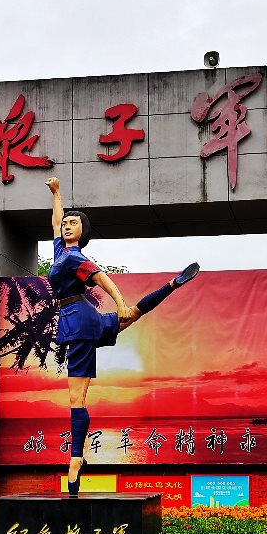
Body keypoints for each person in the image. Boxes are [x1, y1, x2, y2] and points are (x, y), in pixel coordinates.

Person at [46, 177, 199, 498]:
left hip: (79, 324)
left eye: (74, 223)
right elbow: (55, 220)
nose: (67, 225)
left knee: (77, 399)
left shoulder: (74, 258)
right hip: (83, 321)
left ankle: (75, 460)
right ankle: (171, 286)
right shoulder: (61, 251)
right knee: (134, 317)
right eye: (66, 223)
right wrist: (57, 193)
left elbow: (103, 279)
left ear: (83, 233)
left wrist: (120, 303)